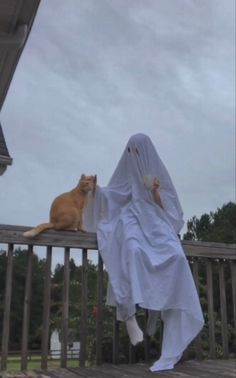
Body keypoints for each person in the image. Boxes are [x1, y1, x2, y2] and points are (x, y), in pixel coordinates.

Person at [84, 133, 204, 371]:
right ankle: (132, 314)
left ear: (146, 153)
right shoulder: (126, 177)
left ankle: (158, 310)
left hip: (156, 224)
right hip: (133, 222)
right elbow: (113, 195)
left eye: (138, 152)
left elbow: (171, 211)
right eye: (130, 152)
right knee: (132, 252)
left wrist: (155, 192)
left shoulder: (156, 177)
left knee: (176, 257)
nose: (134, 157)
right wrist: (95, 191)